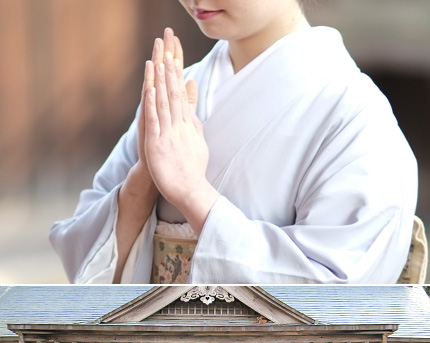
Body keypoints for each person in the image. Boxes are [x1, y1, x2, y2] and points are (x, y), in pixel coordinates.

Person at [49, 0, 418, 284]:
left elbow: (338, 288)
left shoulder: (354, 116)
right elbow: (86, 255)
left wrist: (193, 193)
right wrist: (145, 178)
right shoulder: (179, 91)